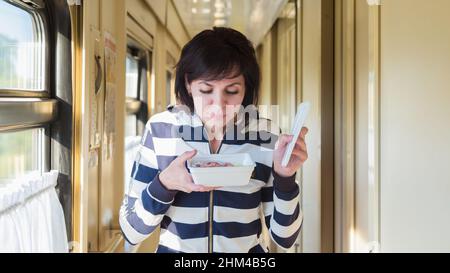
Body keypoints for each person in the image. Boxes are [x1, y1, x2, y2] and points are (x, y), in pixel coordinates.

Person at [119, 27, 308, 253]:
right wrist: (164, 184)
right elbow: (131, 231)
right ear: (188, 84)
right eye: (206, 90)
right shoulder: (162, 130)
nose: (218, 105)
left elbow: (285, 238)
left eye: (232, 90)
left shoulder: (264, 133)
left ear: (246, 88)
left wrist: (285, 179)